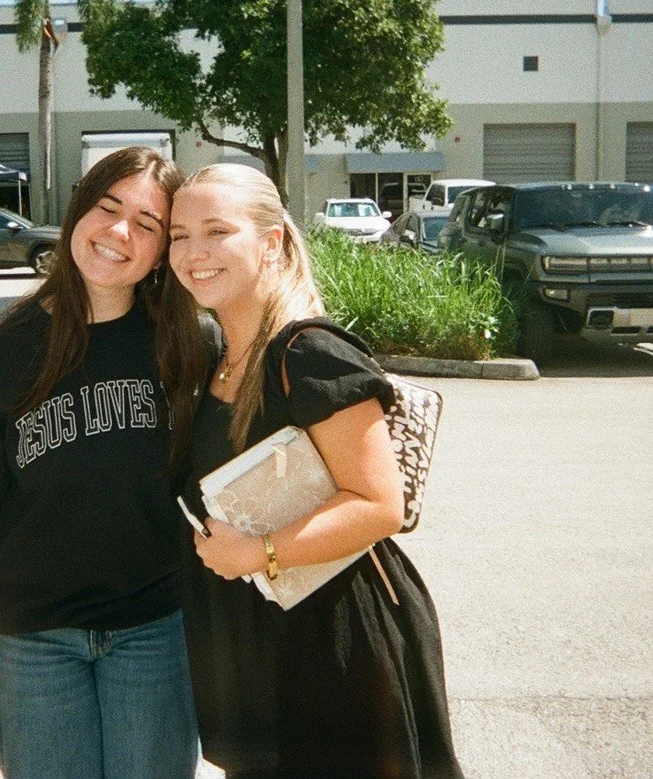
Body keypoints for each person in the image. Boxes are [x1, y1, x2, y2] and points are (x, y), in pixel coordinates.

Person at [166, 163, 462, 779]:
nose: (194, 253)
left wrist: (256, 553)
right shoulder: (218, 356)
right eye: (178, 234)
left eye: (217, 231)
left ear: (270, 242)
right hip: (258, 643)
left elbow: (379, 504)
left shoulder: (308, 353)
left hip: (336, 637)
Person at [0, 147, 204, 779]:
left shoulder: (187, 343)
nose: (119, 233)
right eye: (108, 209)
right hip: (29, 638)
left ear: (163, 250)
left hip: (152, 629)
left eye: (147, 225)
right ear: (79, 210)